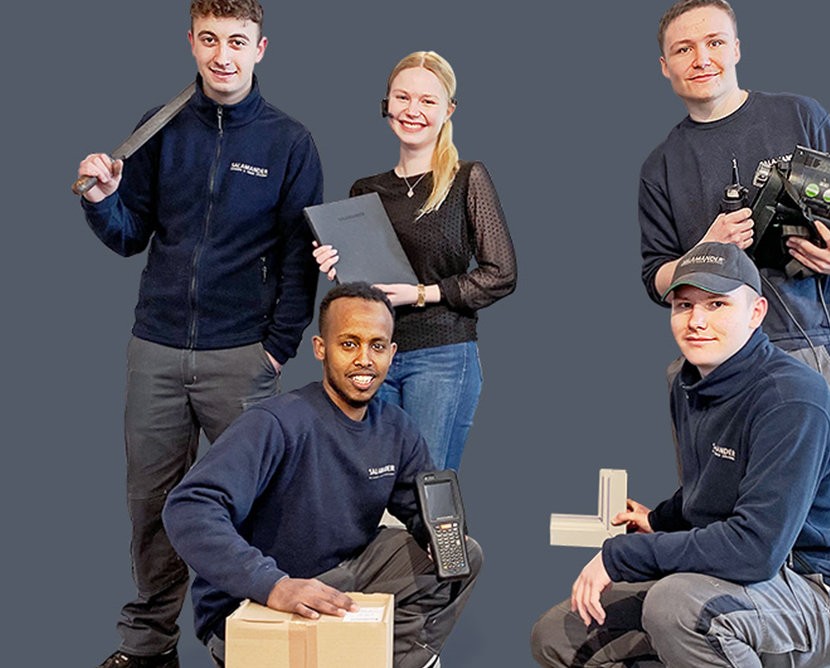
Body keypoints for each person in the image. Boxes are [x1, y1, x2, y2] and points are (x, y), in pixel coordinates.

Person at [75, 2, 323, 666]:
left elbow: (302, 258)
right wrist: (101, 201)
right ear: (191, 41)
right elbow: (131, 236)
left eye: (236, 41)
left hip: (242, 355)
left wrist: (277, 345)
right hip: (155, 348)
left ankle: (241, 641)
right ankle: (150, 645)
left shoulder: (288, 142)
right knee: (151, 504)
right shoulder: (159, 128)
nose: (223, 55)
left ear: (260, 48)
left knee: (253, 506)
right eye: (210, 39)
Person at [530, 242, 830, 667]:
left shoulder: (792, 398)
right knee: (558, 632)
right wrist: (657, 521)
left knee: (677, 609)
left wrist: (620, 556)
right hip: (735, 578)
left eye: (716, 304)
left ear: (756, 313)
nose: (696, 321)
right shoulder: (688, 380)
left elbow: (755, 548)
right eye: (683, 305)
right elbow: (716, 485)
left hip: (821, 593)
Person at [163, 283, 483, 668]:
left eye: (377, 346)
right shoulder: (277, 423)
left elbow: (420, 507)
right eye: (349, 344)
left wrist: (433, 532)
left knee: (464, 555)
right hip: (258, 597)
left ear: (391, 353)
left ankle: (389, 658)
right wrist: (273, 584)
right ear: (320, 348)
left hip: (342, 575)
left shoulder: (396, 428)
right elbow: (188, 507)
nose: (364, 359)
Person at [639, 0, 830, 418]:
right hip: (711, 356)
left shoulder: (801, 116)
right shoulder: (661, 165)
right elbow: (656, 280)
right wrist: (708, 249)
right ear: (664, 65)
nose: (702, 59)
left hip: (803, 346)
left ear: (737, 49)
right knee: (712, 485)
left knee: (808, 483)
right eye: (684, 49)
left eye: (715, 42)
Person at [313, 50, 517, 470]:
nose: (413, 110)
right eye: (402, 98)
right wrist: (340, 271)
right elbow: (364, 294)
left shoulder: (466, 179)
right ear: (386, 105)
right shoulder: (366, 189)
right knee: (369, 483)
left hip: (441, 355)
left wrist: (422, 293)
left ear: (448, 110)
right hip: (374, 355)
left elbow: (502, 273)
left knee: (426, 489)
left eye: (427, 101)